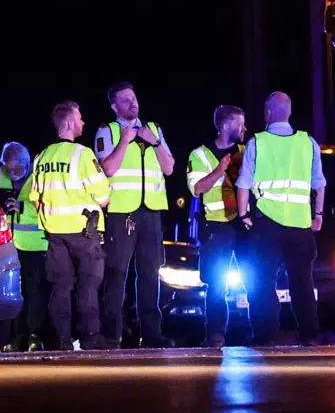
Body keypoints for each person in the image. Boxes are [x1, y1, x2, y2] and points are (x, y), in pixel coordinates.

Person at [236, 91, 326, 346]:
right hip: (300, 224)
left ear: (268, 111)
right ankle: (309, 335)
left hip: (266, 224)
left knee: (263, 281)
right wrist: (317, 215)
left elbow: (244, 184)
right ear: (289, 112)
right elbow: (319, 184)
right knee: (302, 281)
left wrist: (244, 214)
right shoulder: (308, 142)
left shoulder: (257, 142)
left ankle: (265, 335)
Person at [23, 101, 111, 351]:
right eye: (80, 118)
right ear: (70, 123)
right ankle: (90, 338)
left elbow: (34, 197)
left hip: (54, 234)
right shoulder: (82, 154)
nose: (83, 122)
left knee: (60, 288)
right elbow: (103, 196)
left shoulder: (41, 156)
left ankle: (62, 340)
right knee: (88, 286)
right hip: (84, 231)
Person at [94, 82, 175, 349]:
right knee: (116, 273)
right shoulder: (108, 131)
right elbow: (107, 169)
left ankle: (152, 333)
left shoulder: (154, 129)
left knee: (150, 273)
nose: (132, 103)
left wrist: (157, 142)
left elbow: (170, 168)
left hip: (151, 212)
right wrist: (125, 142)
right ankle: (111, 334)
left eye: (134, 98)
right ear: (114, 106)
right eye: (125, 100)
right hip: (121, 213)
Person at [186, 105, 250, 347]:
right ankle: (215, 336)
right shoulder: (199, 154)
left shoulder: (247, 151)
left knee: (255, 281)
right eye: (240, 124)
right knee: (216, 285)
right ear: (225, 125)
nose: (244, 128)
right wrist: (219, 170)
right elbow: (197, 188)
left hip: (244, 226)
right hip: (215, 227)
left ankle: (261, 334)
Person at [0, 142, 48, 351]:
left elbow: (49, 207)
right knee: (10, 294)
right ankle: (13, 338)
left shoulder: (39, 176)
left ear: (27, 163)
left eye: (16, 169)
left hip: (35, 247)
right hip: (6, 248)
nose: (11, 173)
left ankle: (35, 337)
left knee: (35, 294)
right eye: (7, 168)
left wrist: (21, 207)